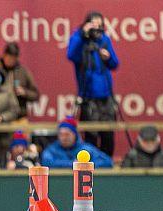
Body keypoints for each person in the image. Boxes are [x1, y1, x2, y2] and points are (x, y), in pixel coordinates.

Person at [68, 11, 120, 156]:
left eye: (99, 25)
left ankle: (107, 165)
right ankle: (90, 168)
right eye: (93, 24)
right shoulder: (79, 39)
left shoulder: (104, 40)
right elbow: (71, 55)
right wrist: (81, 34)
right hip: (88, 97)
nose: (96, 28)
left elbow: (115, 64)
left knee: (108, 136)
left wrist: (108, 57)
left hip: (106, 97)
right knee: (90, 136)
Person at [41, 116, 113, 168]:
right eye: (61, 134)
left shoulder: (86, 148)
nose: (64, 138)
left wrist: (89, 166)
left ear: (75, 135)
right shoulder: (52, 149)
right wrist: (74, 164)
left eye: (67, 134)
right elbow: (46, 162)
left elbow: (108, 162)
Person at [1, 43, 40, 118]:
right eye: (9, 58)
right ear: (4, 55)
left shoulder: (23, 72)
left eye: (13, 59)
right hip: (1, 116)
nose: (11, 61)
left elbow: (35, 95)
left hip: (19, 116)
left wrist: (24, 92)